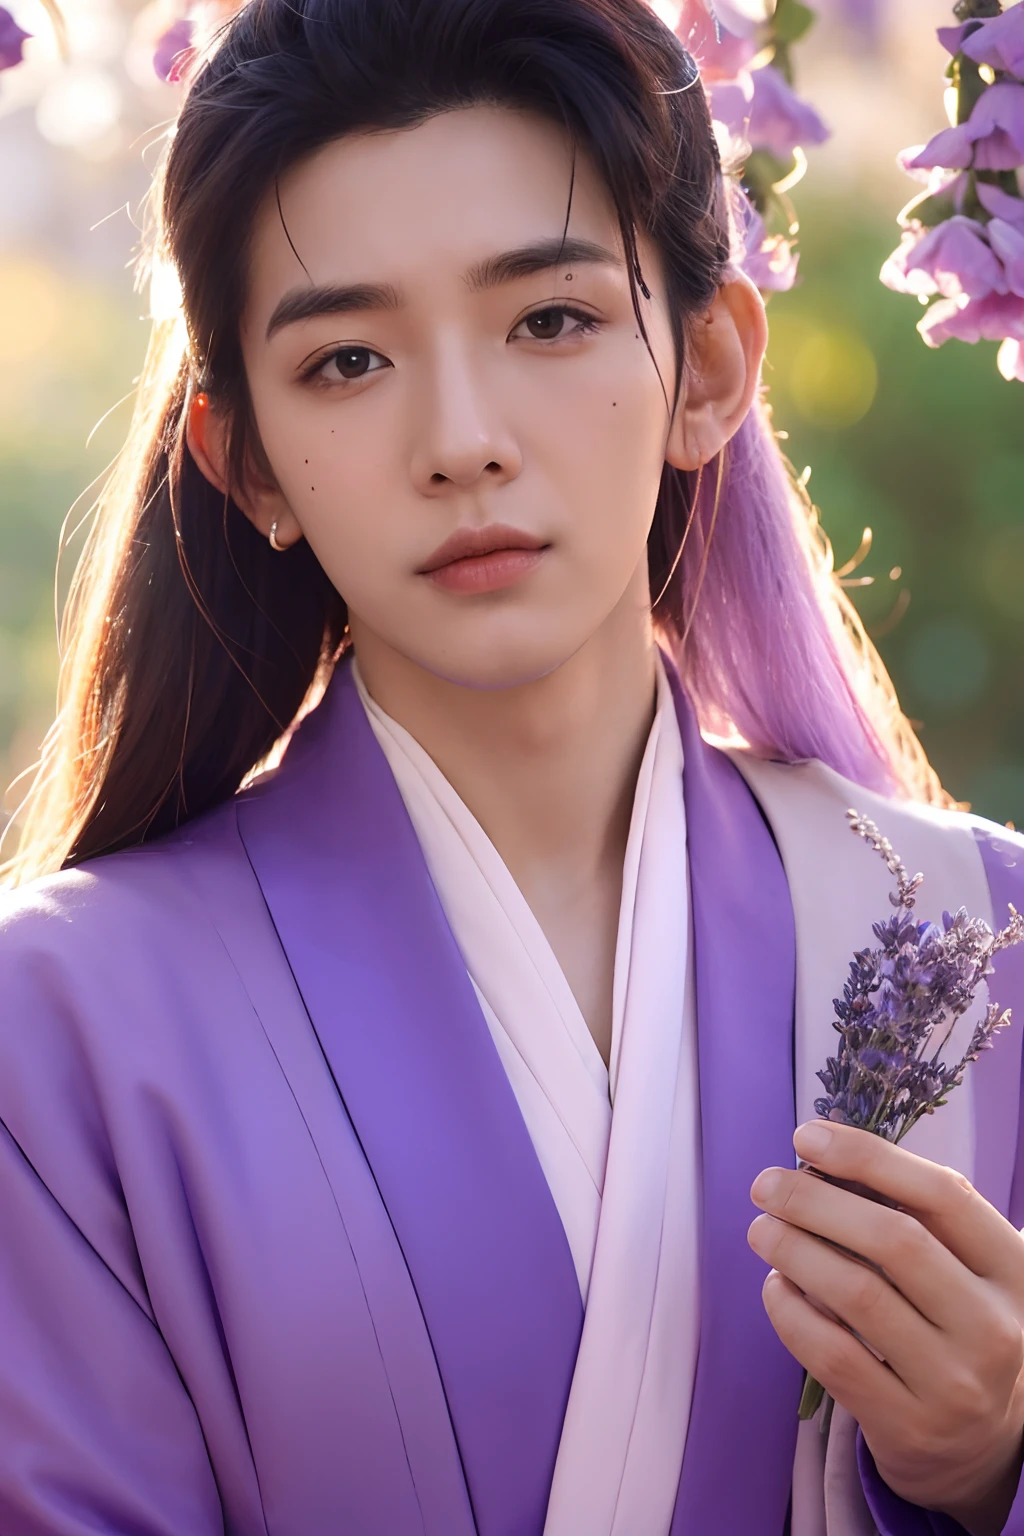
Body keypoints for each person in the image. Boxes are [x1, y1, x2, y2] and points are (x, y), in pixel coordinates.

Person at [1, 0, 1023, 1531]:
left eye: (548, 320)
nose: (462, 439)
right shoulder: (60, 1026)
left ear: (710, 367)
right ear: (249, 463)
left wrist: (987, 1462)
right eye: (347, 359)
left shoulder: (979, 938)